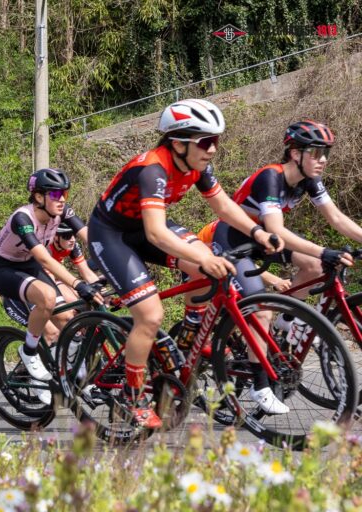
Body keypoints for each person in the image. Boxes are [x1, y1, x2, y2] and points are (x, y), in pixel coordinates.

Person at [88, 99, 284, 428]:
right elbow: (157, 233)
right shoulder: (153, 169)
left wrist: (256, 231)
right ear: (178, 143)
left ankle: (184, 345)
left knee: (208, 272)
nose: (213, 150)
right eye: (206, 142)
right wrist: (206, 255)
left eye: (216, 141)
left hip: (147, 228)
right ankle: (130, 395)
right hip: (112, 235)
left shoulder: (197, 165)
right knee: (150, 315)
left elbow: (222, 205)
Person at [198, 120, 357, 413]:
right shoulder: (270, 178)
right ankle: (260, 387)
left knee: (315, 267)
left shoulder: (309, 180)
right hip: (234, 242)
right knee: (262, 310)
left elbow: (336, 219)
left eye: (326, 153)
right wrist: (326, 250)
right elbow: (278, 231)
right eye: (316, 153)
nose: (322, 160)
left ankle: (285, 323)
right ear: (295, 153)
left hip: (264, 242)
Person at [0, 168, 103, 405]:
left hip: (28, 266)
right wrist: (77, 283)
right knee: (48, 298)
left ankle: (69, 372)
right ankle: (29, 352)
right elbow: (45, 260)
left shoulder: (62, 213)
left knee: (69, 318)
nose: (61, 199)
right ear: (38, 197)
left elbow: (91, 237)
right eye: (56, 194)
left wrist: (119, 259)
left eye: (65, 194)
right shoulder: (23, 219)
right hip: (2, 268)